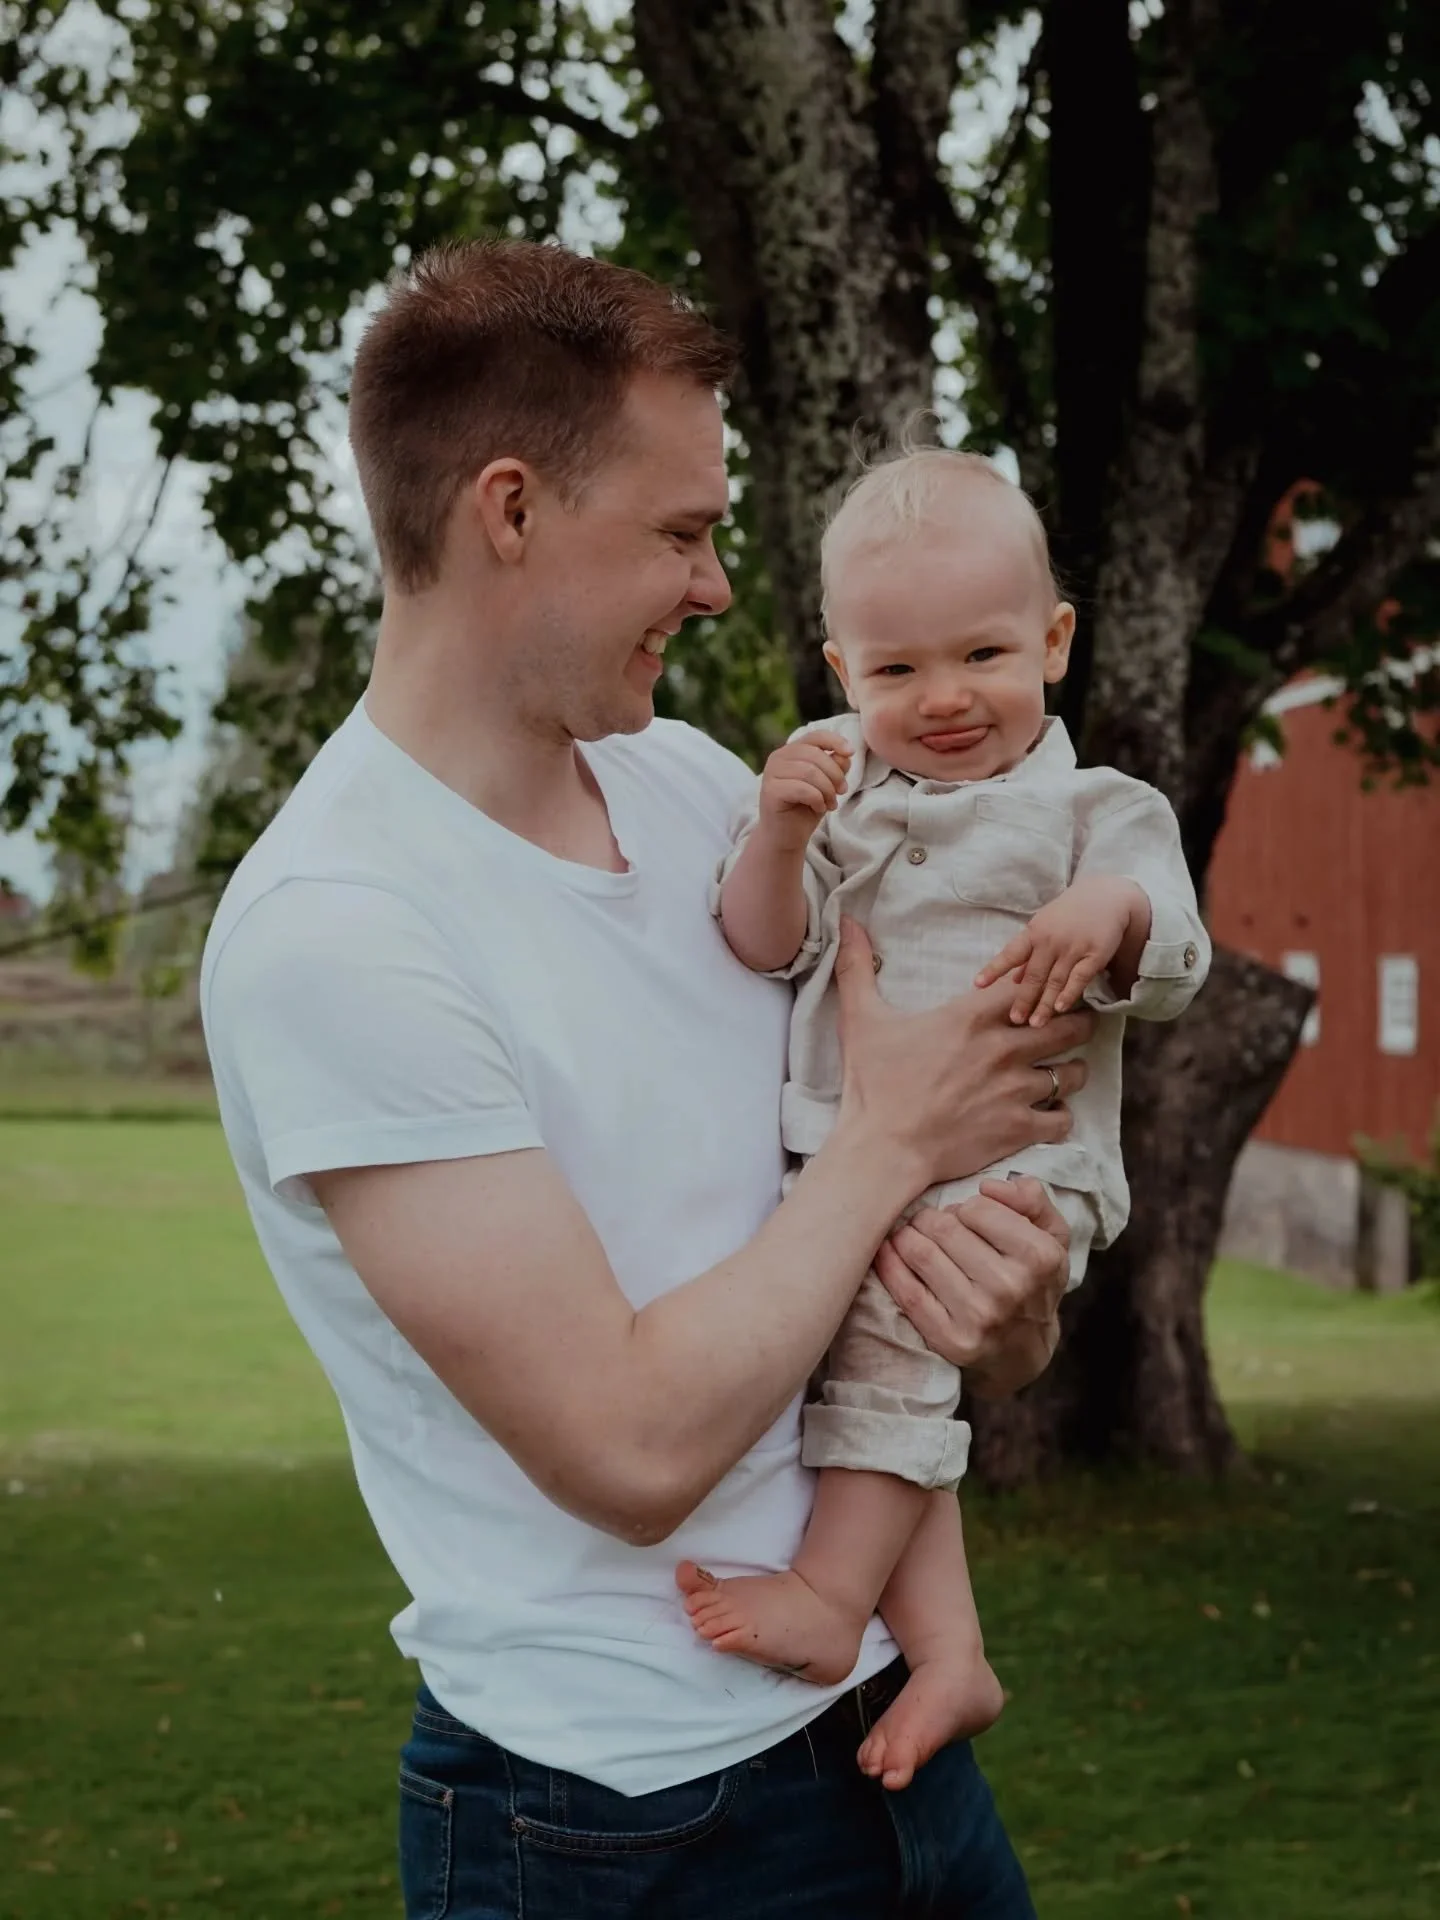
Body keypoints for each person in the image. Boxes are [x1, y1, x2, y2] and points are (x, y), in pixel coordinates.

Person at [200, 239, 1092, 1920]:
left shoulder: (692, 786)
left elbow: (867, 1235)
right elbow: (627, 1446)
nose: (717, 589)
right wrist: (903, 1133)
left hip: (893, 1736)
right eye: (681, 534)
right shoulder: (340, 933)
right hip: (618, 1825)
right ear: (511, 510)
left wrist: (1007, 1307)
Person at [689, 447, 1211, 1792]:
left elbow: (1177, 958)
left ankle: (828, 1592)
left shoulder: (1099, 812)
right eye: (895, 671)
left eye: (982, 654)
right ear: (840, 671)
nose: (944, 699)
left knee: (882, 1353)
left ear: (1053, 639)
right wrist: (774, 838)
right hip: (858, 1156)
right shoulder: (844, 802)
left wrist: (1113, 913)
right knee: (863, 1370)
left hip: (1015, 1166)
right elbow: (762, 945)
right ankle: (952, 1653)